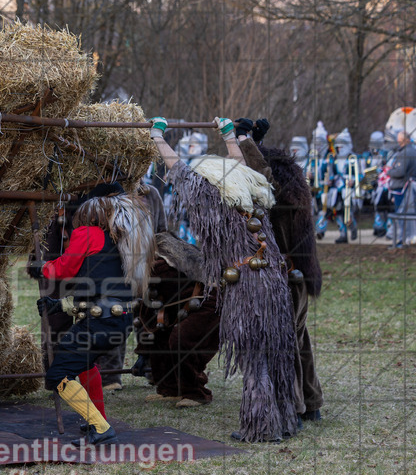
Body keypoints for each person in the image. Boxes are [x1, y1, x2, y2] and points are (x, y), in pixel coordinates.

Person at [150, 116, 298, 442]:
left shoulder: (208, 200)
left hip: (246, 285)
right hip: (274, 280)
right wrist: (230, 136)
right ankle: (286, 420)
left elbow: (178, 171)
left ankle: (261, 427)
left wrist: (158, 137)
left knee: (254, 359)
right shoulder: (252, 195)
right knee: (277, 352)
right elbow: (240, 165)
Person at [30, 183, 155, 445]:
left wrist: (42, 268)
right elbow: (100, 287)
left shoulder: (89, 233)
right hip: (116, 321)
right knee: (85, 366)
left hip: (101, 322)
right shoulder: (120, 239)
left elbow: (64, 268)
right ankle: (97, 420)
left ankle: (100, 427)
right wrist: (61, 306)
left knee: (58, 375)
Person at [237, 118, 325, 423]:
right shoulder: (295, 191)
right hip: (297, 275)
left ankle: (293, 408)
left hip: (285, 277)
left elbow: (260, 176)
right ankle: (311, 402)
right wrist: (253, 141)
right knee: (299, 338)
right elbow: (265, 173)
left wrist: (243, 141)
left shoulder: (278, 197)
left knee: (285, 341)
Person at [135, 232, 220, 407]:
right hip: (179, 306)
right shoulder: (154, 260)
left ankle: (196, 393)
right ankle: (171, 389)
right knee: (159, 337)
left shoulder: (159, 264)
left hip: (207, 303)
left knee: (182, 339)